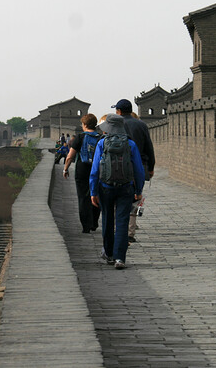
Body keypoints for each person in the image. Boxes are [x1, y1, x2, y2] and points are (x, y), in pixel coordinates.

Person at [90, 114, 145, 270]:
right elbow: (139, 170)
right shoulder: (131, 145)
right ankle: (120, 258)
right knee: (122, 222)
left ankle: (109, 254)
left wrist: (93, 191)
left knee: (107, 220)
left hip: (105, 187)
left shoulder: (102, 143)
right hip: (126, 187)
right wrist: (138, 190)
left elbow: (95, 170)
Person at [112, 99, 156, 243]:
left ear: (118, 111)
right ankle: (130, 232)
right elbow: (149, 147)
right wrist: (151, 167)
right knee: (135, 198)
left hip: (118, 166)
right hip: (140, 165)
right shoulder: (141, 125)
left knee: (117, 198)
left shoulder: (116, 124)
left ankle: (117, 229)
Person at [64, 113, 102, 233]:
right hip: (97, 170)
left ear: (85, 125)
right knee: (95, 194)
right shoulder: (100, 138)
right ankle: (94, 222)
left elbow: (70, 156)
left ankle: (86, 225)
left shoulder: (80, 137)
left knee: (83, 198)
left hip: (82, 170)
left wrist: (65, 169)